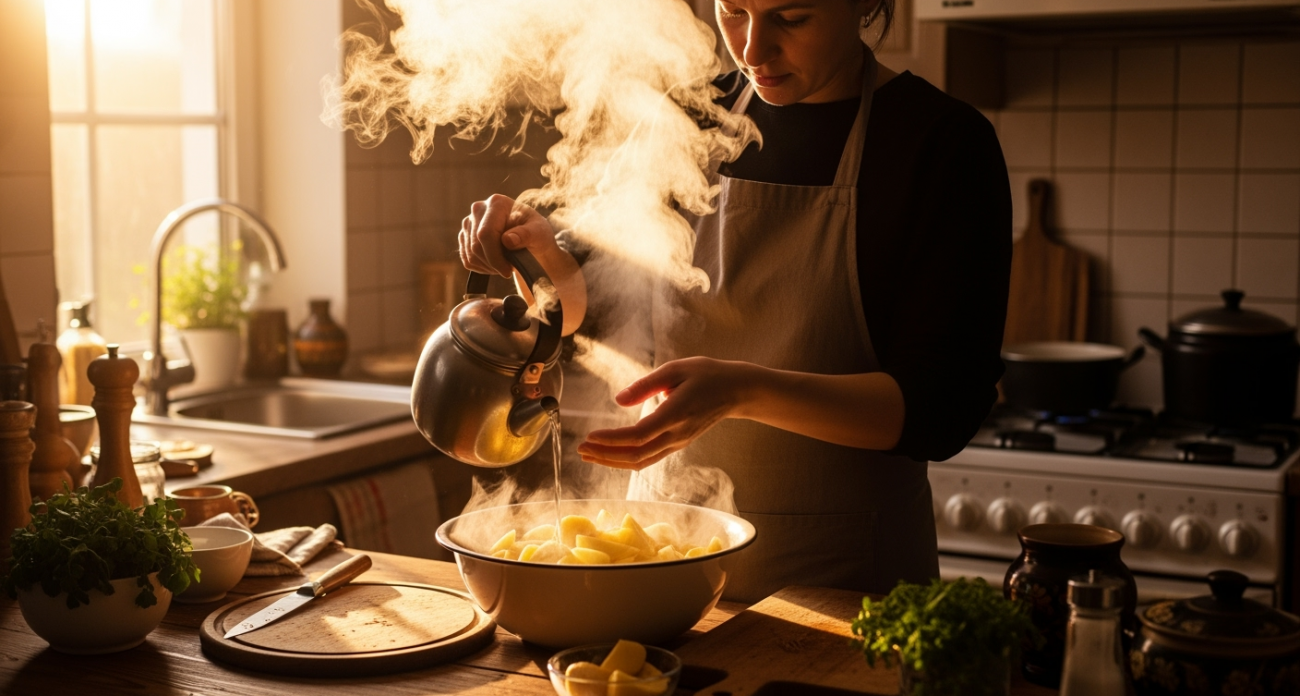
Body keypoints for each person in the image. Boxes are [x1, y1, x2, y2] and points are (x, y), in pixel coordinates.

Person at [458, 0, 1011, 603]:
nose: (751, 50)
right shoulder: (690, 116)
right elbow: (595, 308)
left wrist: (743, 393)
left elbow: (939, 410)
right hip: (667, 568)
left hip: (848, 585)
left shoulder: (940, 144)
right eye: (734, 11)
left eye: (791, 18)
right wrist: (539, 258)